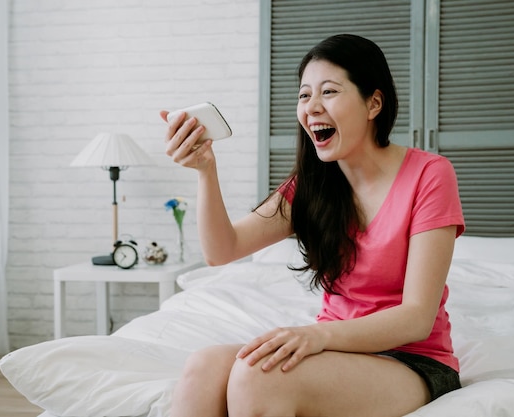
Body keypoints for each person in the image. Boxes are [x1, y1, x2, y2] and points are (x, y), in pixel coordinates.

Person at [160, 34, 464, 417]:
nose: (312, 107)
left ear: (374, 103)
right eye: (304, 95)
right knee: (201, 368)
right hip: (334, 350)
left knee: (258, 376)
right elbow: (223, 250)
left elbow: (417, 317)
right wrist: (206, 169)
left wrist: (315, 335)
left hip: (411, 361)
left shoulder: (430, 174)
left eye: (329, 92)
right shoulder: (311, 186)